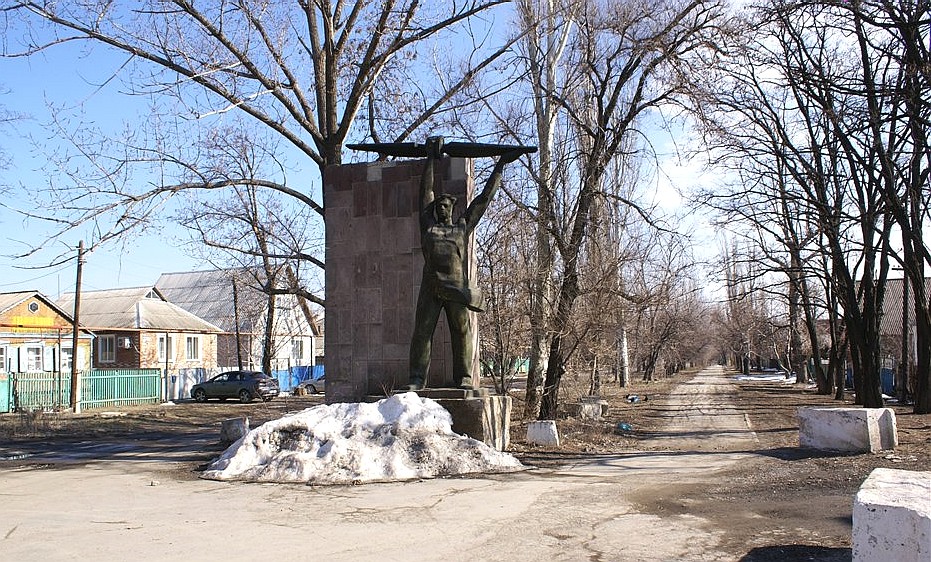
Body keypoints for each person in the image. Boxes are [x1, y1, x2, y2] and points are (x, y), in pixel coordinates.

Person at [408, 137, 523, 390]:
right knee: (422, 332)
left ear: (453, 208)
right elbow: (425, 192)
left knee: (461, 332)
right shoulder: (428, 227)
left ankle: (464, 377)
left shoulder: (462, 228)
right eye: (438, 206)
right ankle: (416, 379)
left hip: (456, 287)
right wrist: (430, 157)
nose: (441, 209)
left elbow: (483, 200)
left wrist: (500, 166)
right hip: (430, 286)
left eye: (446, 206)